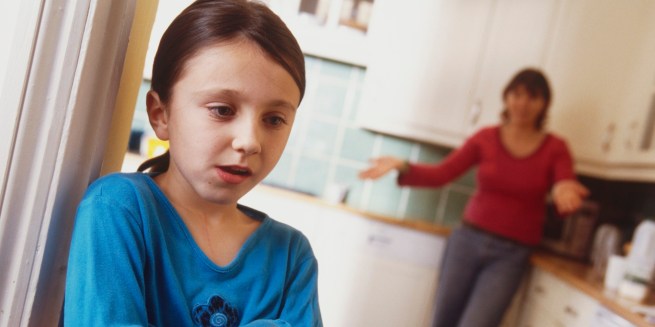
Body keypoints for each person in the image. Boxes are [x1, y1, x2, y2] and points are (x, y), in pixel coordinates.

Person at [64, 0, 322, 326]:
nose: (249, 141)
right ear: (161, 115)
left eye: (274, 119)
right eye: (222, 110)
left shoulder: (291, 257)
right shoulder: (118, 209)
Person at [359, 68, 589, 327]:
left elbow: (565, 184)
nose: (523, 103)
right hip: (466, 242)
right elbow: (442, 174)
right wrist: (403, 165)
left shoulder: (556, 148)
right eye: (517, 94)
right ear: (507, 97)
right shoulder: (486, 138)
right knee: (442, 322)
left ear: (544, 104)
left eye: (533, 97)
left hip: (510, 256)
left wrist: (564, 191)